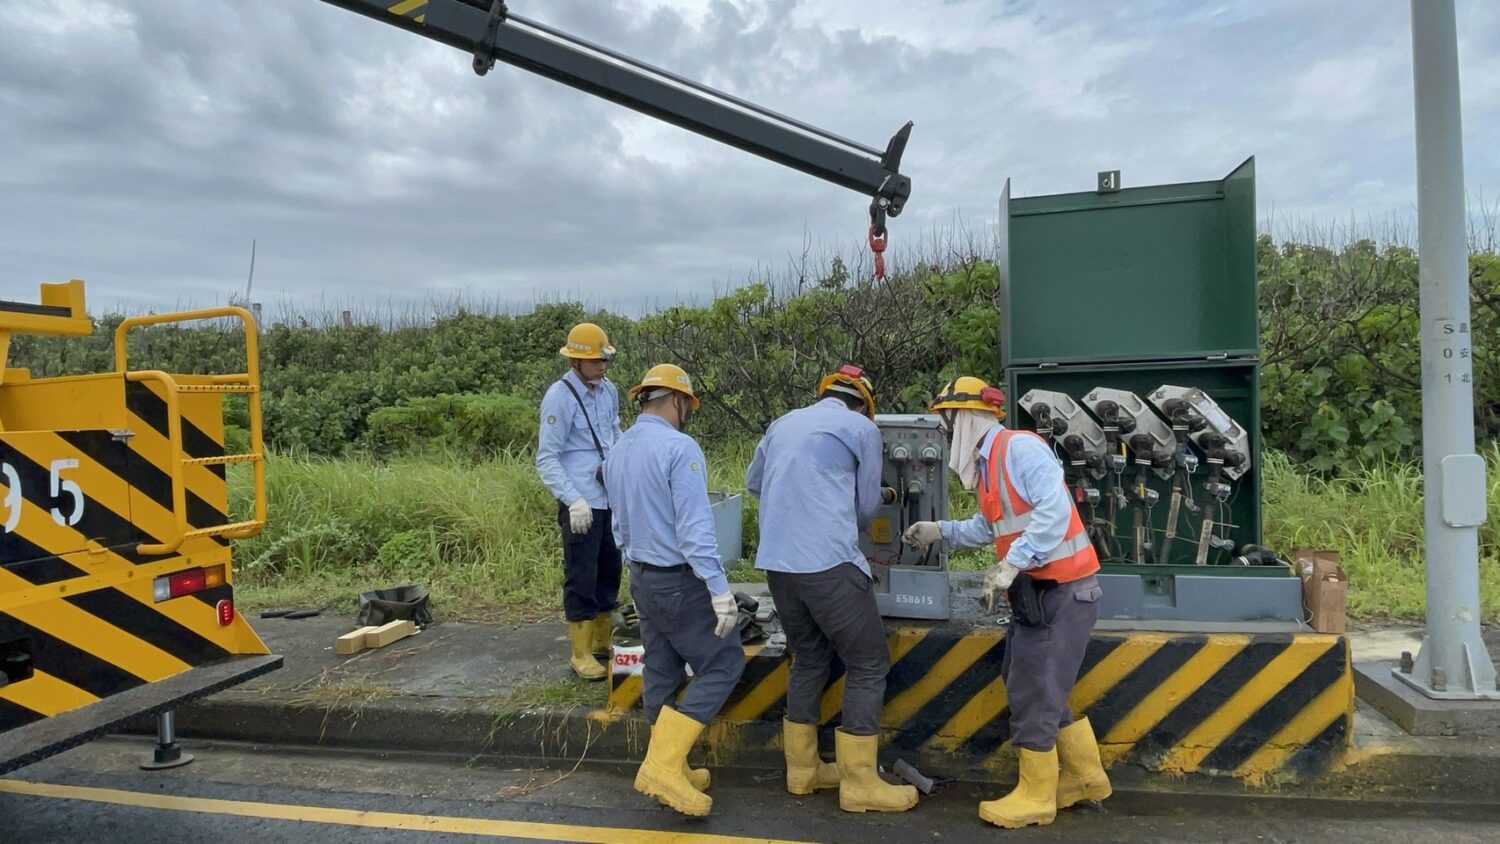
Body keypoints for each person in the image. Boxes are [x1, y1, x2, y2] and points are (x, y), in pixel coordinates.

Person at [903, 377, 1110, 830]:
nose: (942, 431)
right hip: (1039, 593)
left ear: (964, 417)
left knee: (1035, 690)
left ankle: (1037, 797)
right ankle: (1085, 776)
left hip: (1061, 590)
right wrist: (940, 530)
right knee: (1028, 681)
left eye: (944, 421)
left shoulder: (1020, 449)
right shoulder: (990, 462)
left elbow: (1053, 512)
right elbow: (991, 525)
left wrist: (1008, 566)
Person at [746, 365, 919, 814]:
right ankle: (860, 782)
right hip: (828, 564)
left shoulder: (782, 422)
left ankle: (802, 771)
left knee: (809, 656)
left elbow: (752, 484)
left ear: (825, 393)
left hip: (777, 566)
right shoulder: (861, 427)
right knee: (867, 662)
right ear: (864, 404)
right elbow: (865, 508)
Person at [605, 363, 744, 817]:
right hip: (678, 580)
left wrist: (636, 564)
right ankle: (663, 766)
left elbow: (619, 523)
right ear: (677, 400)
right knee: (724, 663)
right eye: (688, 405)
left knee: (662, 671)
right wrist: (719, 590)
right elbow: (695, 529)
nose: (689, 413)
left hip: (643, 576)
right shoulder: (679, 447)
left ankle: (672, 765)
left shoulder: (619, 448)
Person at [535, 322, 624, 680]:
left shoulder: (609, 390)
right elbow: (547, 457)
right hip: (580, 502)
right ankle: (581, 652)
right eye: (595, 360)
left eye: (605, 359)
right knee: (581, 575)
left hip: (608, 497)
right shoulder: (559, 396)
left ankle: (603, 642)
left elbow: (615, 432)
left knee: (610, 569)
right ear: (576, 361)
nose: (602, 365)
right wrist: (572, 500)